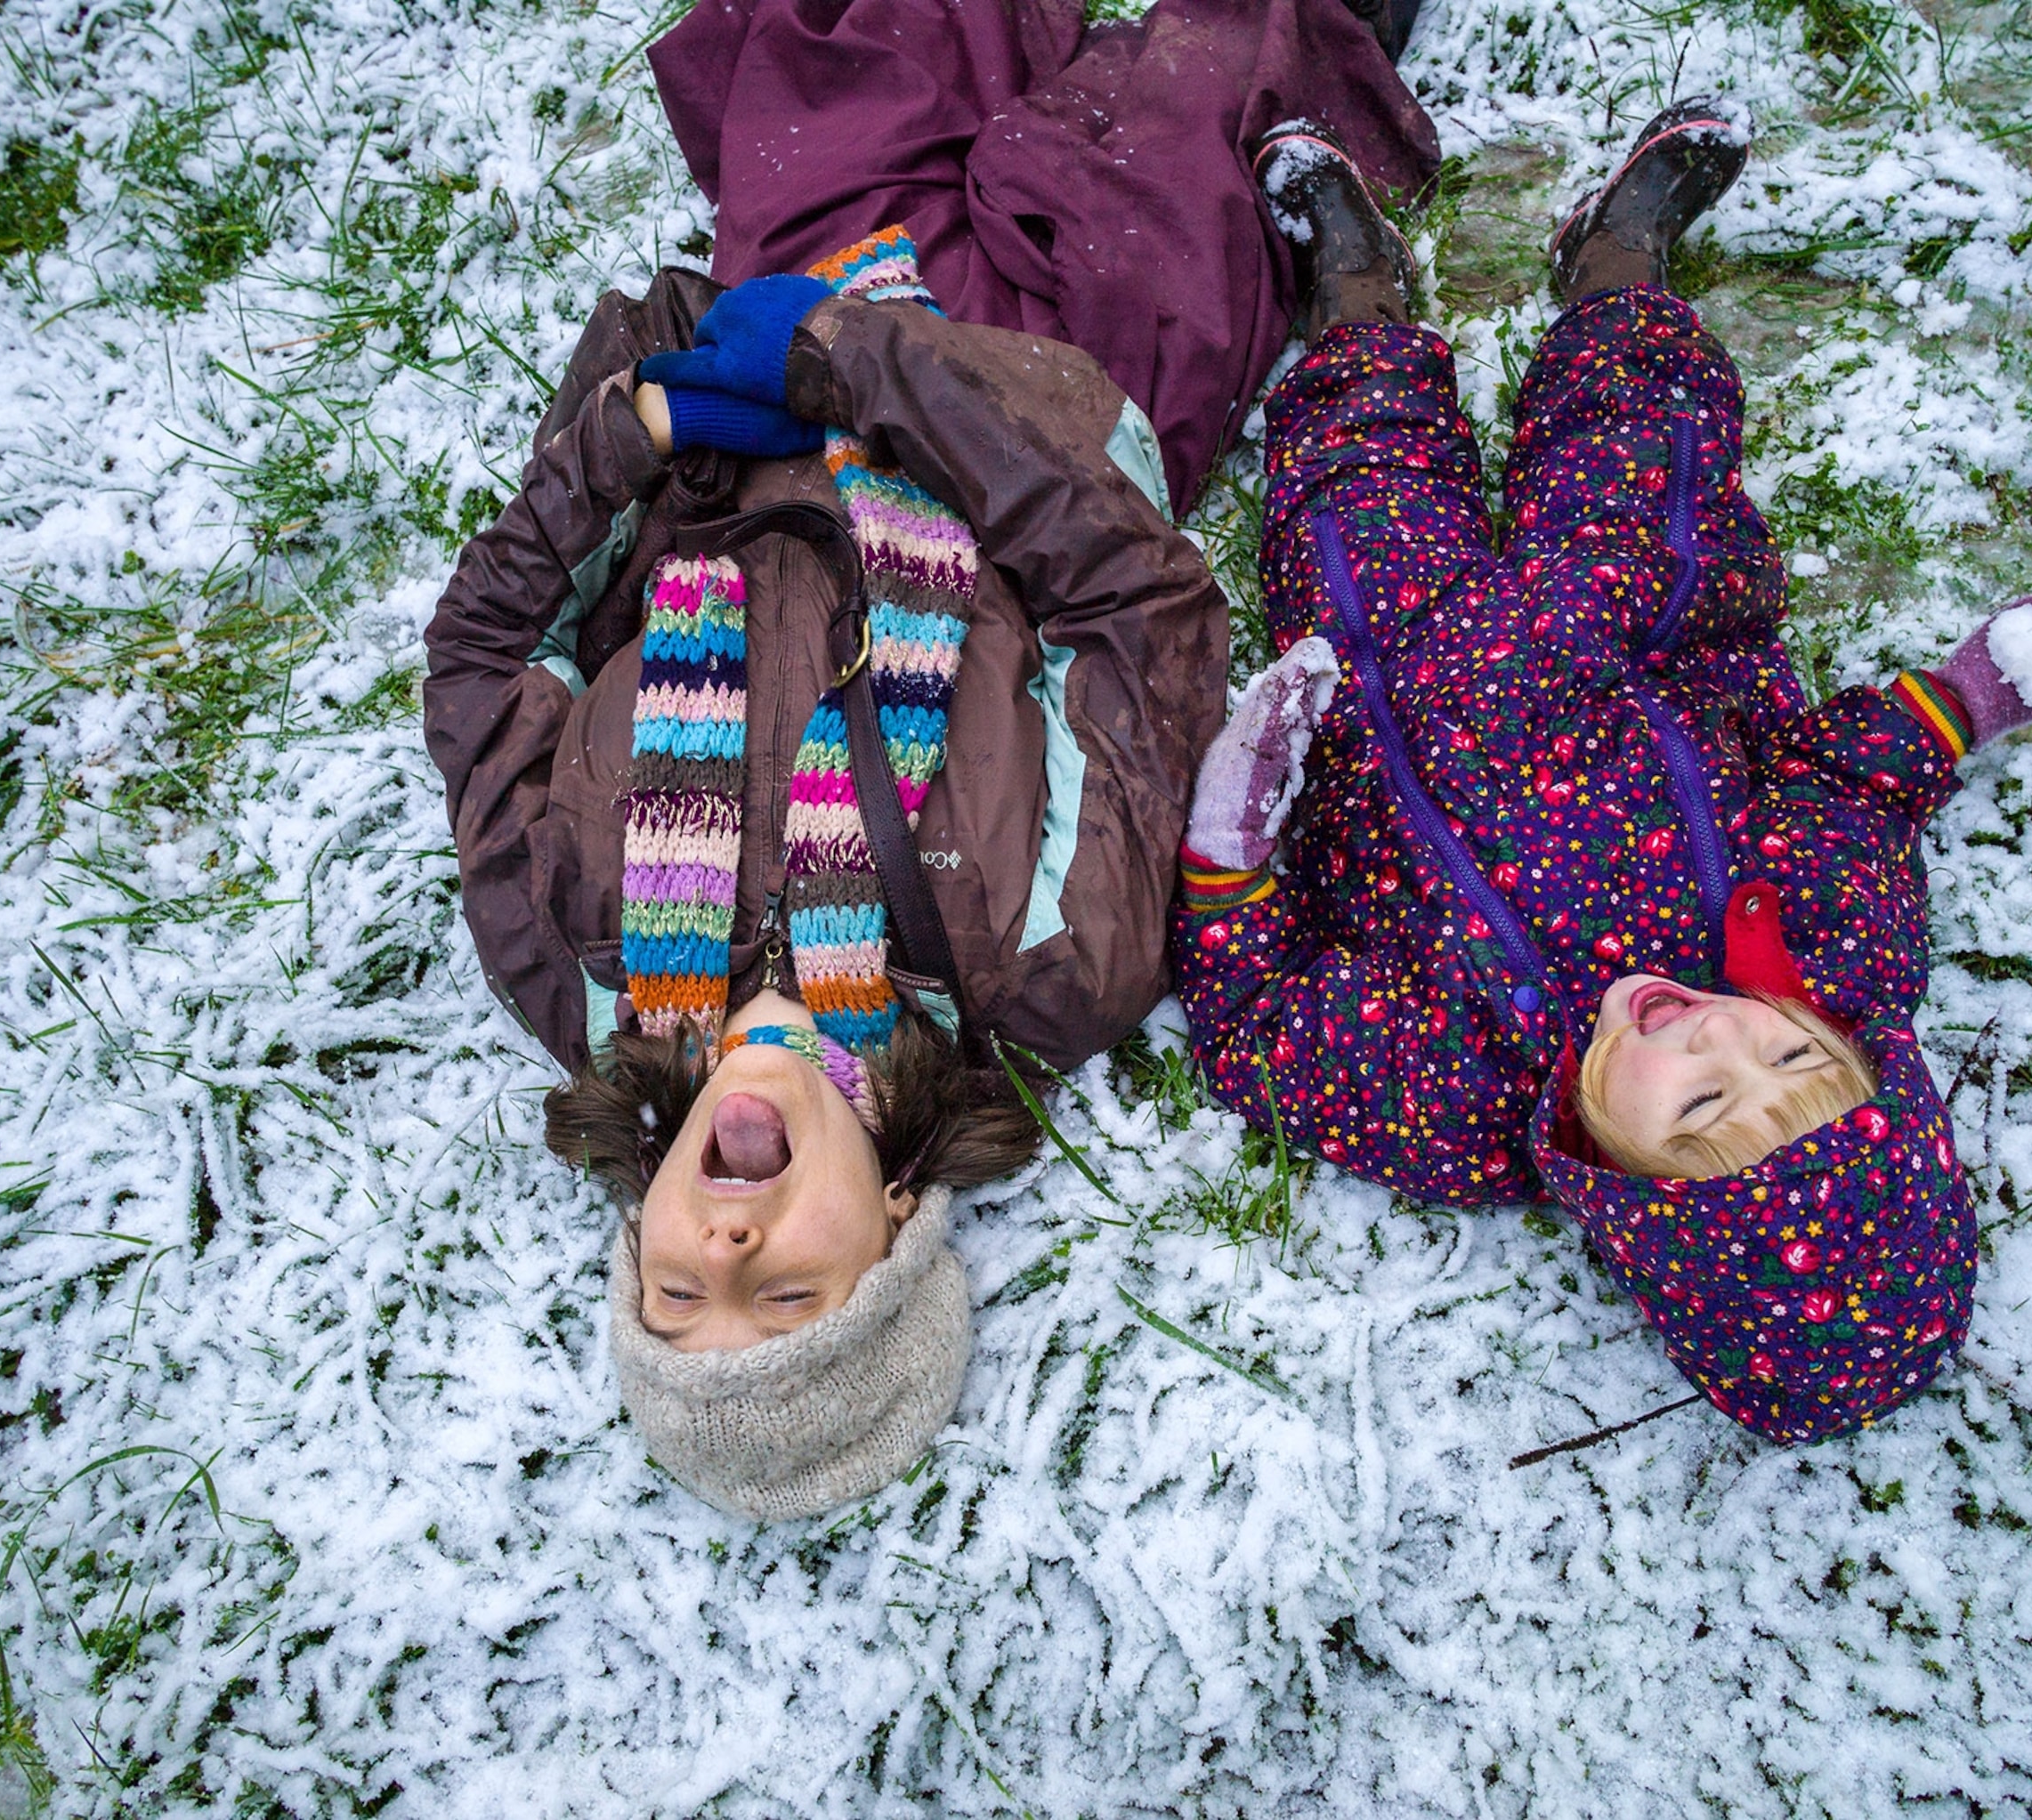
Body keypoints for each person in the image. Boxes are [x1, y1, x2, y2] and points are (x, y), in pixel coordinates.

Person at [421, 0, 1435, 1519]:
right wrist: (879, 377)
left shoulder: (563, 955)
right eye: (787, 1305)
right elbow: (1136, 607)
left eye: (677, 1301)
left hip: (754, 358)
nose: (728, 1257)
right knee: (1226, 67)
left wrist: (638, 428)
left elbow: (492, 660)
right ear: (897, 1221)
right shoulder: (1047, 965)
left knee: (871, 30)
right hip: (1056, 373)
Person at [1171, 101, 2032, 1444]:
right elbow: (1848, 789)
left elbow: (1261, 1029)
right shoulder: (1831, 953)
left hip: (1389, 684)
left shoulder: (1466, 1107)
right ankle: (1615, 272)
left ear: (1638, 1194)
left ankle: (1356, 312)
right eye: (1779, 1050)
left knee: (1349, 495)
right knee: (1650, 456)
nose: (1716, 1031)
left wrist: (1233, 849)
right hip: (1630, 626)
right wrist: (1975, 693)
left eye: (1703, 1098)